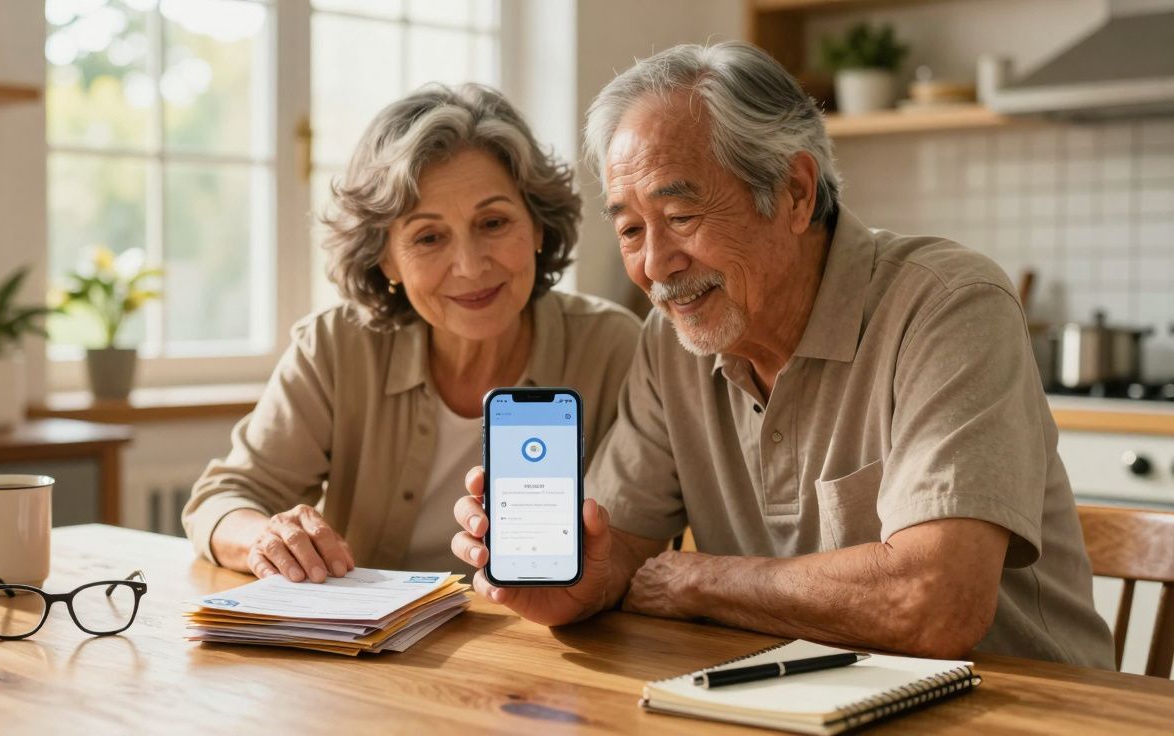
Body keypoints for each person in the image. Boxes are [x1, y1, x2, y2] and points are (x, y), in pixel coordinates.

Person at [451, 42, 1115, 667]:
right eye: (630, 228)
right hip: (788, 698)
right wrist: (577, 584)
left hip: (1016, 709)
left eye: (680, 216)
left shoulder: (947, 305)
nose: (654, 264)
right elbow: (619, 546)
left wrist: (702, 583)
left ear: (795, 192)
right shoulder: (671, 342)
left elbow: (935, 602)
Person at [183, 84, 641, 580]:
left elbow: (635, 544)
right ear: (386, 260)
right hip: (368, 650)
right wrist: (269, 538)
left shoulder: (613, 347)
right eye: (428, 236)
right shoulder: (336, 346)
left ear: (536, 227)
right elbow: (222, 500)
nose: (469, 266)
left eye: (492, 222)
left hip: (542, 645)